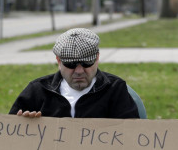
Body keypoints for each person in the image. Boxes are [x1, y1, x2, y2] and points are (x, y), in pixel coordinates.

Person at [9, 28, 140, 119]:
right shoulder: (37, 91)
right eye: (71, 65)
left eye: (86, 63)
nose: (79, 71)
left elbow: (130, 135)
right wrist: (23, 124)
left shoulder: (115, 89)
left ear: (97, 58)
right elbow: (10, 136)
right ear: (59, 61)